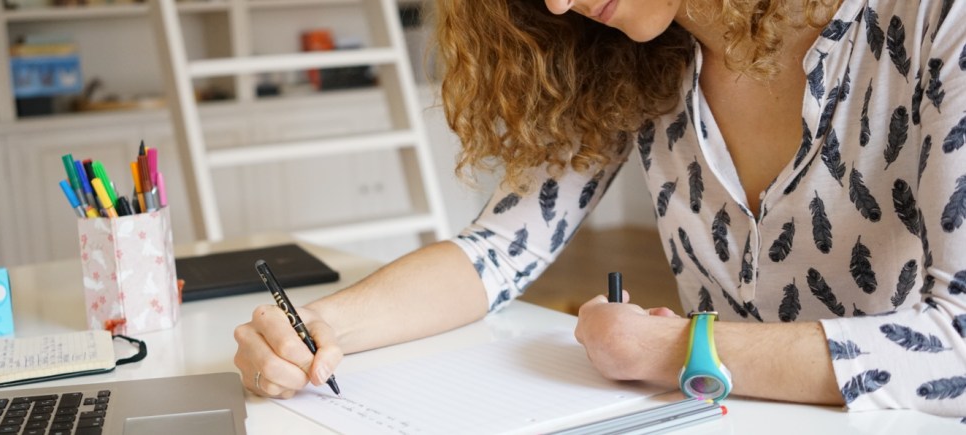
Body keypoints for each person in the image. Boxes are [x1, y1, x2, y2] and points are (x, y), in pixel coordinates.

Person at [233, 0, 966, 418]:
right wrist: (320, 327)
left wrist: (678, 350)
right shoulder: (640, 59)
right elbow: (496, 251)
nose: (556, 2)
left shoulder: (937, 19)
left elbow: (958, 345)